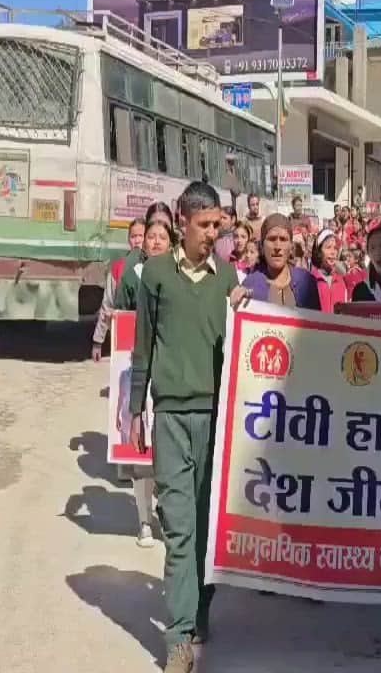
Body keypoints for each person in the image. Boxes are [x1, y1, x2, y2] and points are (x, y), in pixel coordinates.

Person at [127, 181, 247, 673]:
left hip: (217, 419)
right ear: (182, 221)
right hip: (172, 418)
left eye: (217, 226)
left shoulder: (228, 279)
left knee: (206, 525)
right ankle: (178, 638)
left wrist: (246, 309)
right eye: (204, 225)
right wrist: (136, 407)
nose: (212, 235)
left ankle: (199, 608)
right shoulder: (153, 274)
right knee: (179, 529)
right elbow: (142, 346)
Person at [117, 218, 173, 548]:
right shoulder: (131, 273)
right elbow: (121, 314)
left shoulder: (180, 276)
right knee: (140, 452)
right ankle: (143, 521)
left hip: (168, 371)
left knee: (167, 451)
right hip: (137, 369)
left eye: (160, 237)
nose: (153, 242)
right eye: (149, 236)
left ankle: (167, 512)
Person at [91, 219, 146, 362]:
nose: (137, 241)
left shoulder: (156, 267)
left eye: (141, 236)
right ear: (129, 240)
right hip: (124, 329)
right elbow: (107, 303)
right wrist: (98, 341)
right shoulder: (118, 268)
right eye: (133, 237)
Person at [241, 214, 320, 310]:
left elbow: (316, 321)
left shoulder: (306, 282)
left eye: (283, 239)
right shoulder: (250, 285)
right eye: (272, 239)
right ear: (262, 246)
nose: (277, 246)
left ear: (291, 247)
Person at [115, 202, 175, 310]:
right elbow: (120, 318)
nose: (157, 241)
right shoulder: (131, 278)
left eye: (163, 233)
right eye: (152, 235)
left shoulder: (182, 276)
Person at [310, 229, 349, 314]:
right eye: (328, 247)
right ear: (319, 251)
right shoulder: (310, 281)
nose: (333, 252)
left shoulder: (341, 281)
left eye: (335, 248)